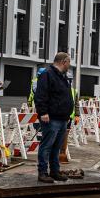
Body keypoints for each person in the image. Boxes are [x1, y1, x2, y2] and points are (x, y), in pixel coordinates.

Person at [33, 52, 75, 183]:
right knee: (47, 146)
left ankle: (54, 171)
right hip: (51, 118)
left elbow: (65, 96)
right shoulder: (47, 74)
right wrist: (43, 112)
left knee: (57, 147)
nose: (69, 64)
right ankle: (43, 172)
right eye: (68, 62)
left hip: (62, 118)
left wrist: (67, 115)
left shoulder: (62, 76)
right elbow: (40, 95)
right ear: (63, 62)